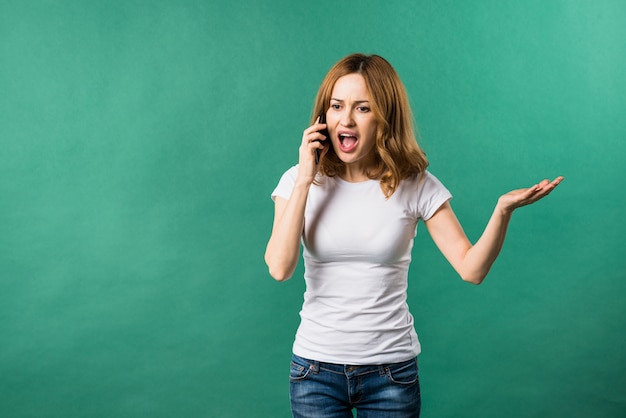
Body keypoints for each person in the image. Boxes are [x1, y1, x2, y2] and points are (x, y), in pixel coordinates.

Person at [264, 53, 563, 418]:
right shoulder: (298, 180)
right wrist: (306, 179)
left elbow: (472, 269)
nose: (345, 119)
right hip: (315, 371)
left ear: (384, 118)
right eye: (336, 106)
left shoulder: (415, 184)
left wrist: (502, 211)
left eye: (362, 108)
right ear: (322, 116)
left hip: (391, 374)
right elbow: (280, 267)